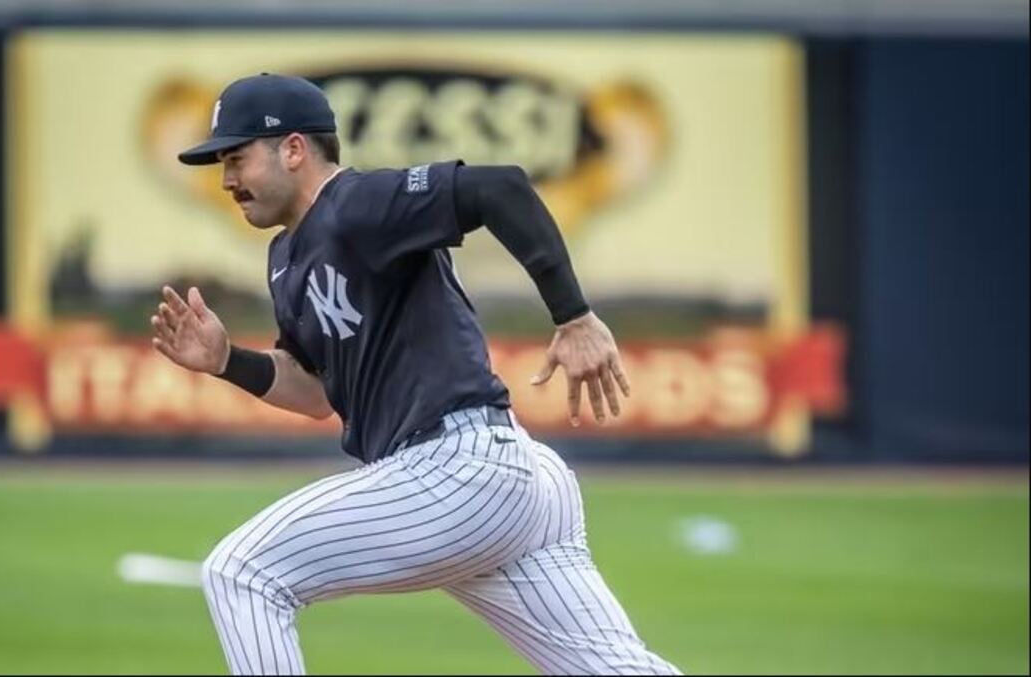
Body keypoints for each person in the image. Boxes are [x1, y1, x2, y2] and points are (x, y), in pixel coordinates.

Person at [150, 73, 680, 676]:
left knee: (241, 573)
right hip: (501, 483)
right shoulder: (286, 258)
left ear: (293, 149)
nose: (227, 179)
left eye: (237, 156)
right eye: (222, 161)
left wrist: (575, 316)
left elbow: (501, 188)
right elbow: (317, 393)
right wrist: (226, 361)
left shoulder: (356, 204)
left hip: (458, 469)